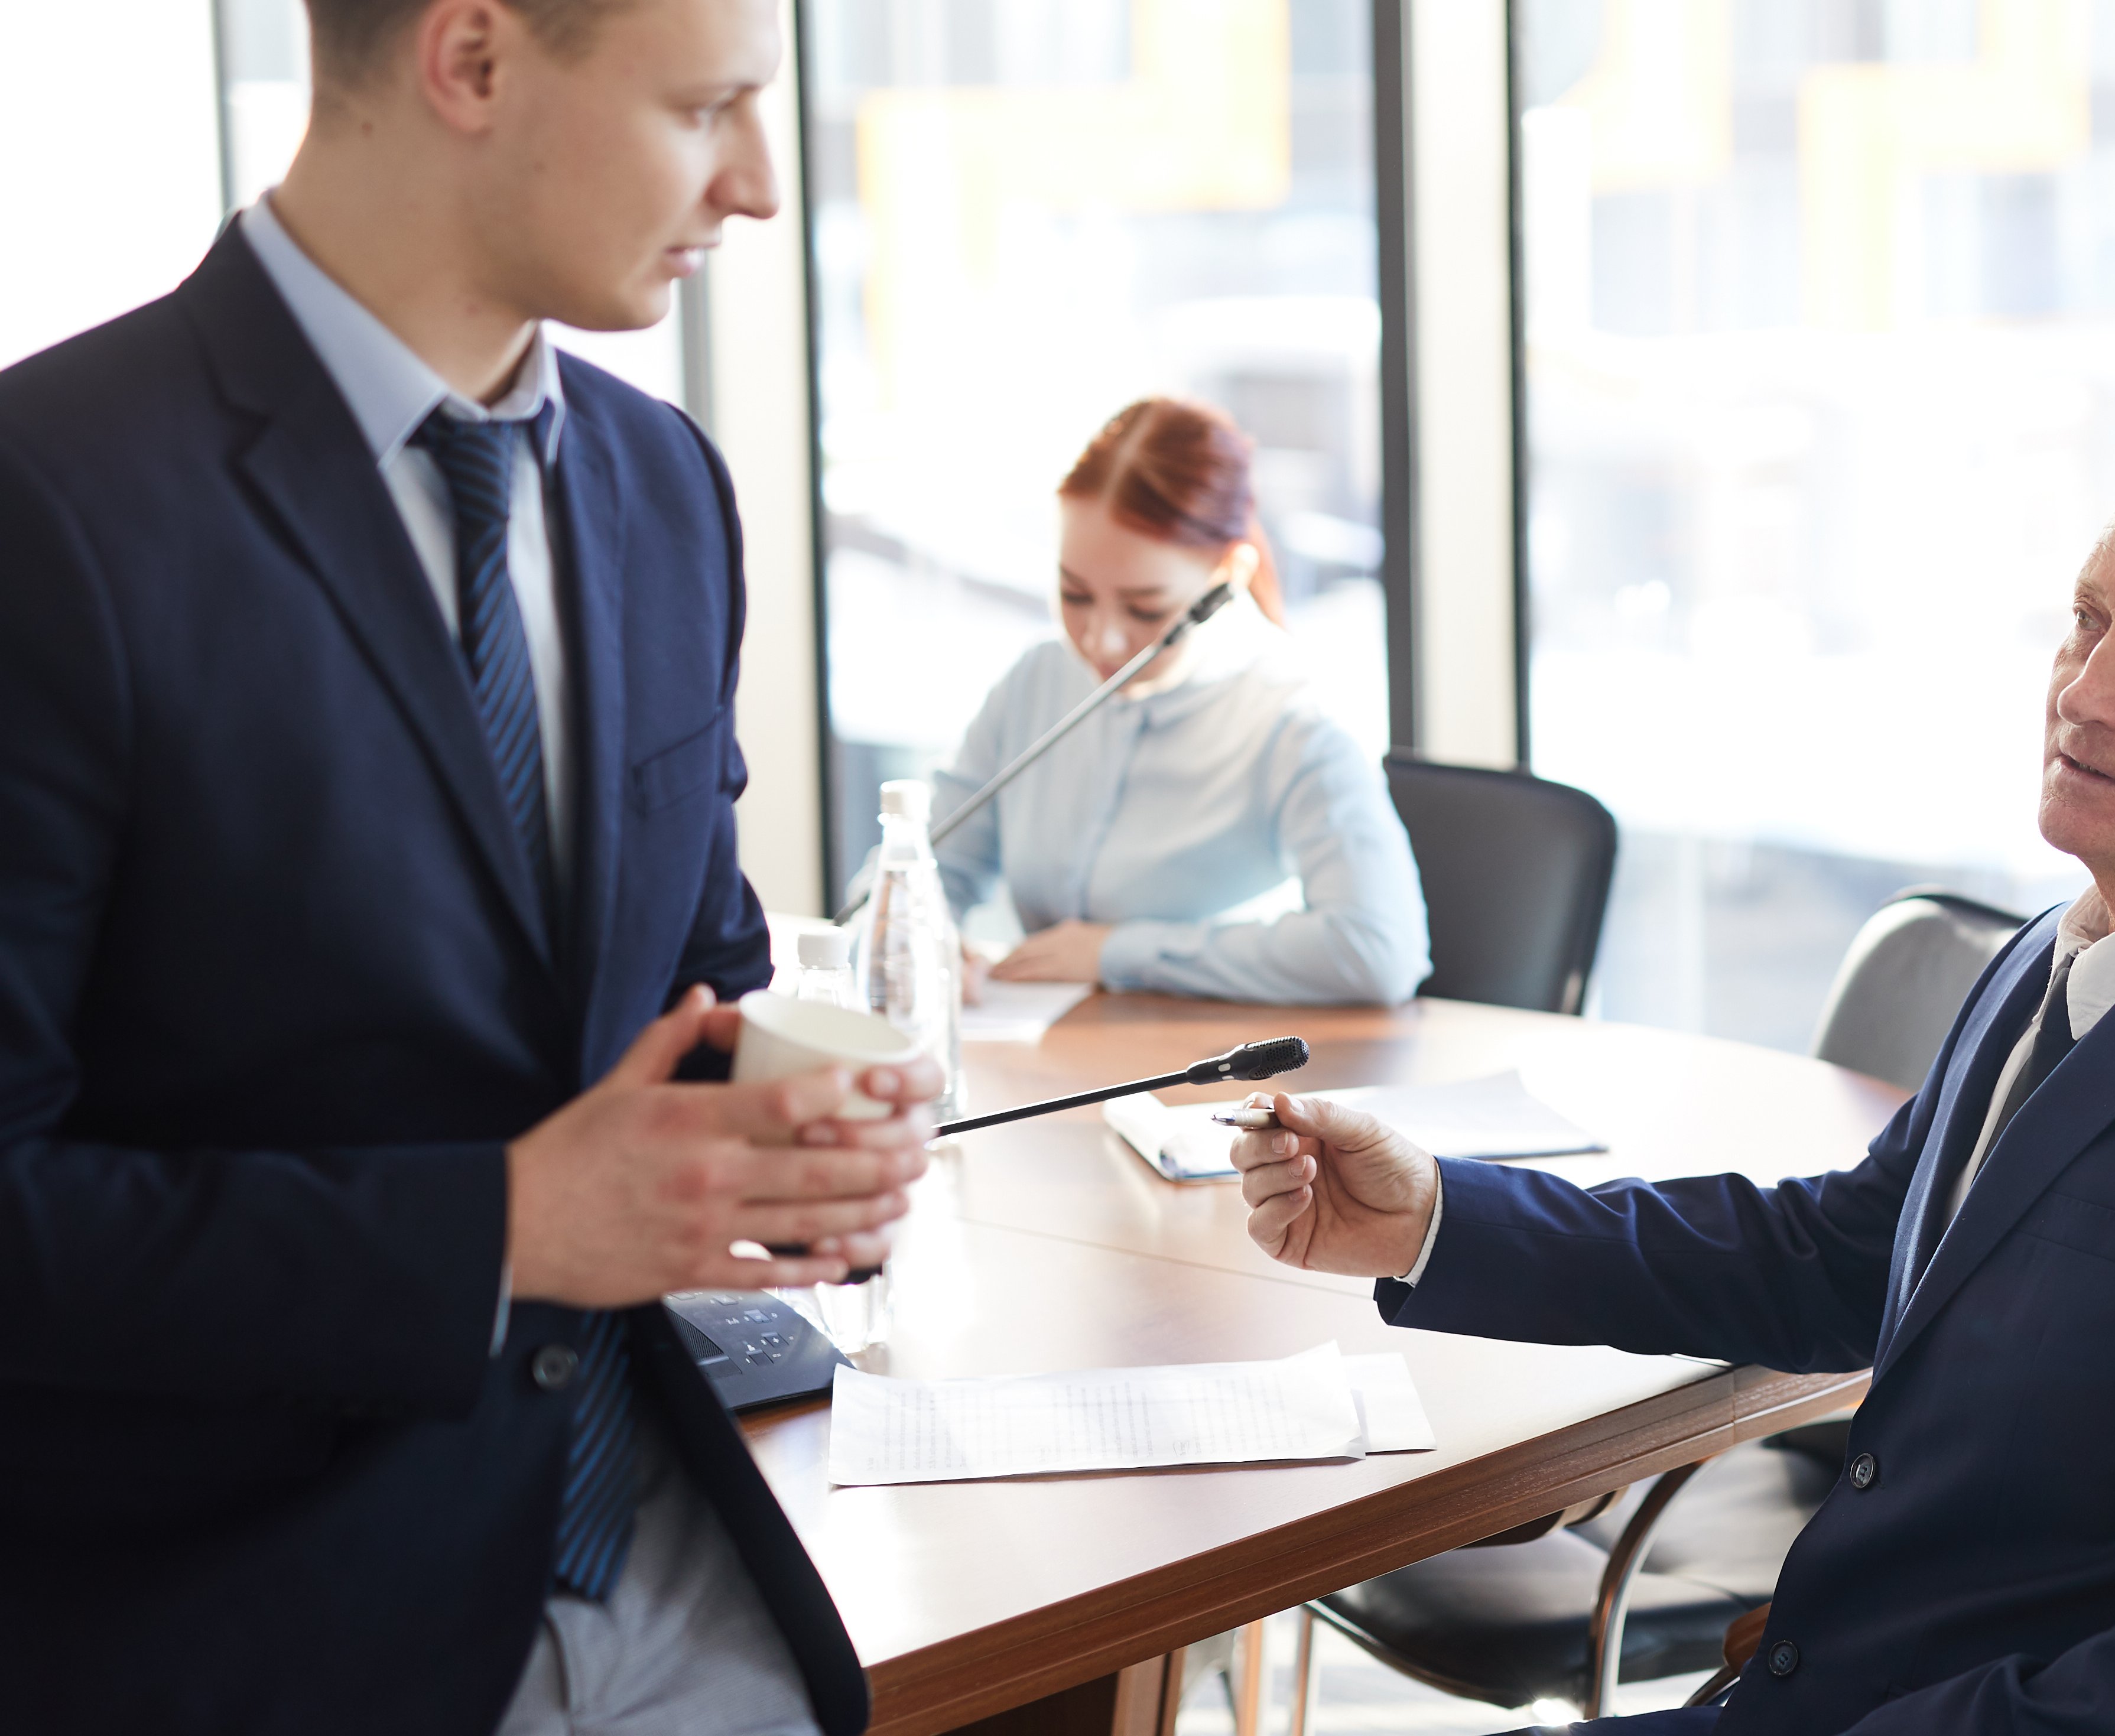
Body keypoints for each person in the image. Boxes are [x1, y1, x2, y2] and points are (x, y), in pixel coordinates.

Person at [1226, 420, 2115, 1734]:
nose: (2085, 689)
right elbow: (1843, 1253)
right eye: (2088, 618)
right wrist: (1437, 1214)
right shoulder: (2061, 944)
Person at [0, 1, 940, 1731]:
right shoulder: (45, 505)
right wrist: (500, 1227)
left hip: (689, 1567)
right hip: (244, 1623)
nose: (755, 184)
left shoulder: (667, 487)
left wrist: (786, 1114)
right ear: (474, 60)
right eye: (706, 107)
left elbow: (690, 969)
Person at [914, 395, 1429, 1007]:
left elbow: (1378, 951)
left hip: (1209, 1080)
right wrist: (923, 933)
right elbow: (922, 868)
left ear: (1227, 577)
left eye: (1145, 609)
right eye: (1074, 593)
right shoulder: (1039, 678)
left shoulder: (1295, 720)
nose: (1100, 640)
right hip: (1047, 1062)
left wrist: (1120, 951)